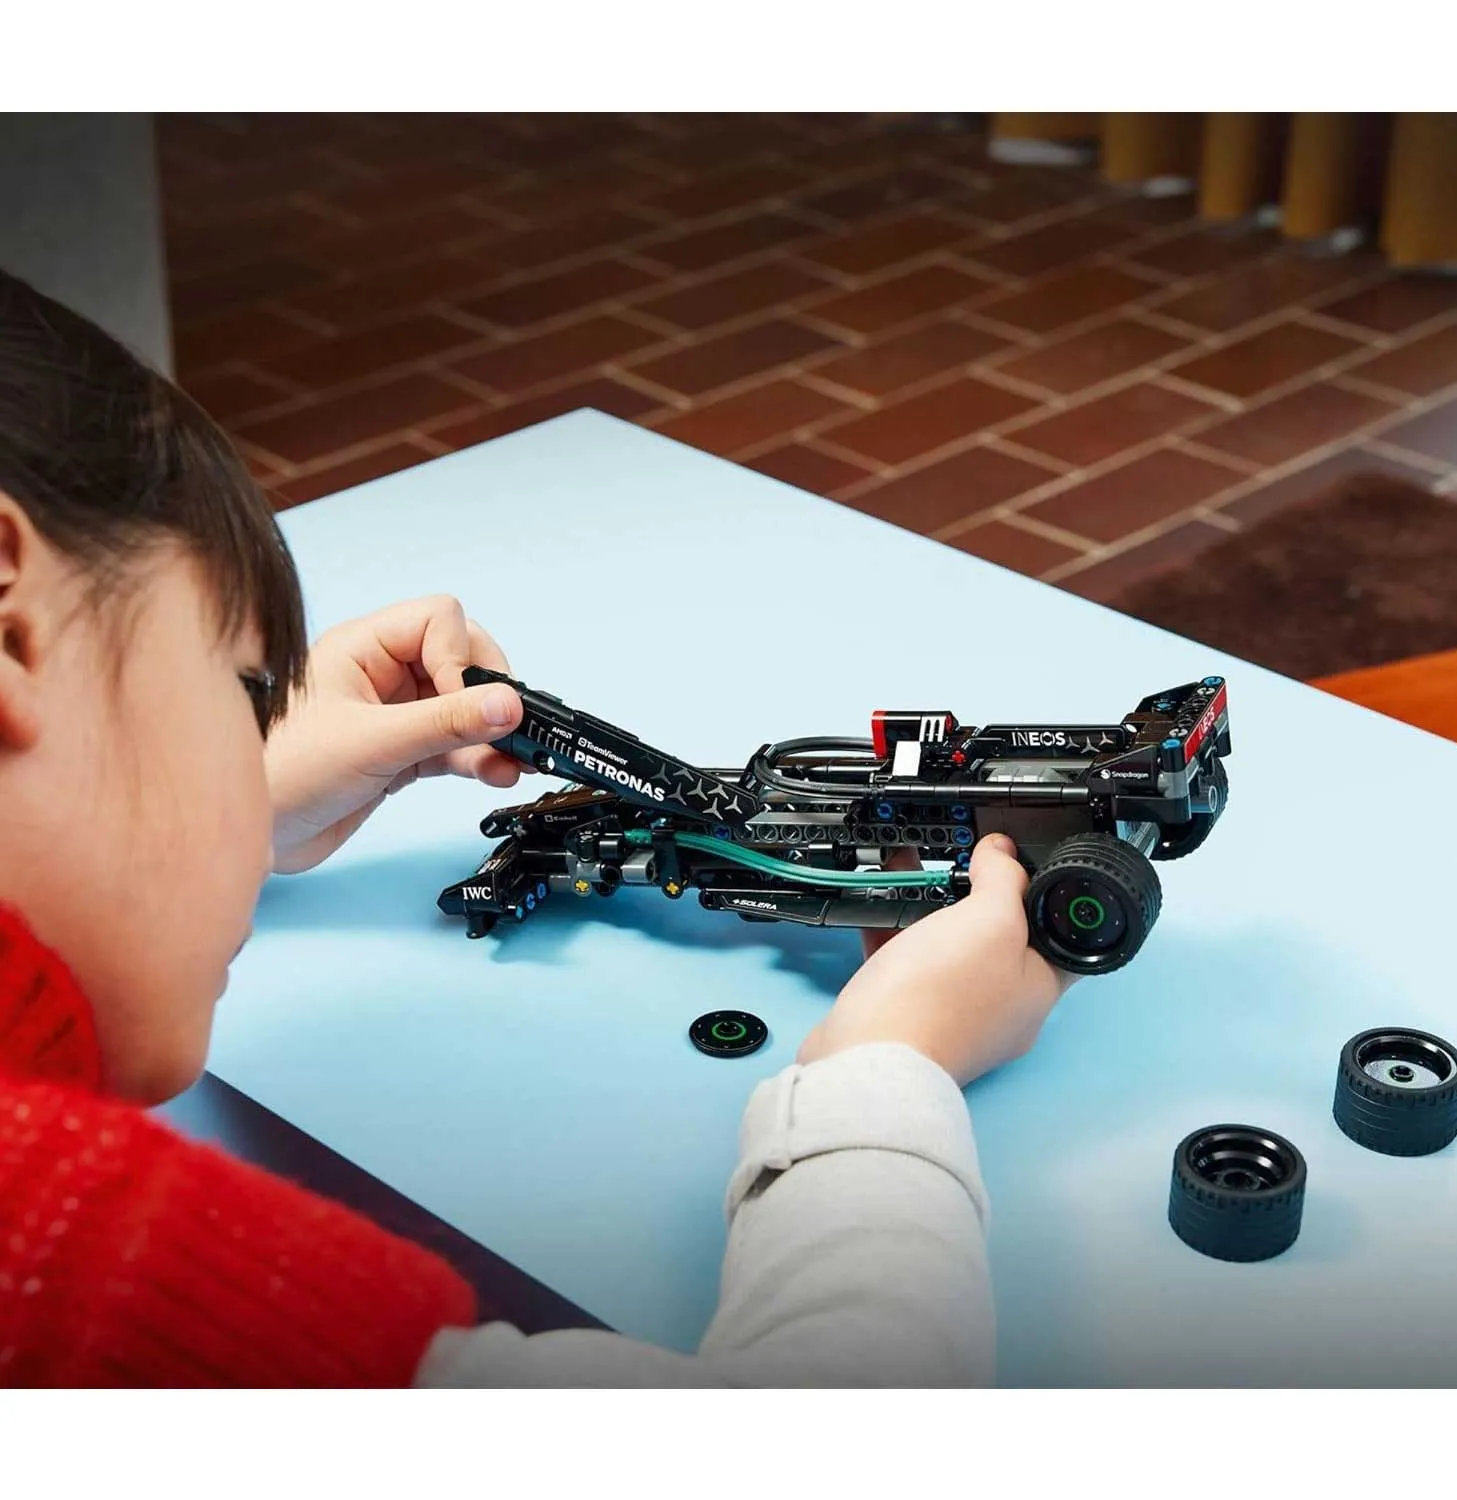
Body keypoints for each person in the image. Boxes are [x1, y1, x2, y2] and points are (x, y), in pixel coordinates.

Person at [0, 268, 1074, 1388]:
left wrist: (234, 800)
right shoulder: (92, 1270)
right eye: (244, 693)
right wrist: (889, 1068)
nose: (255, 736)